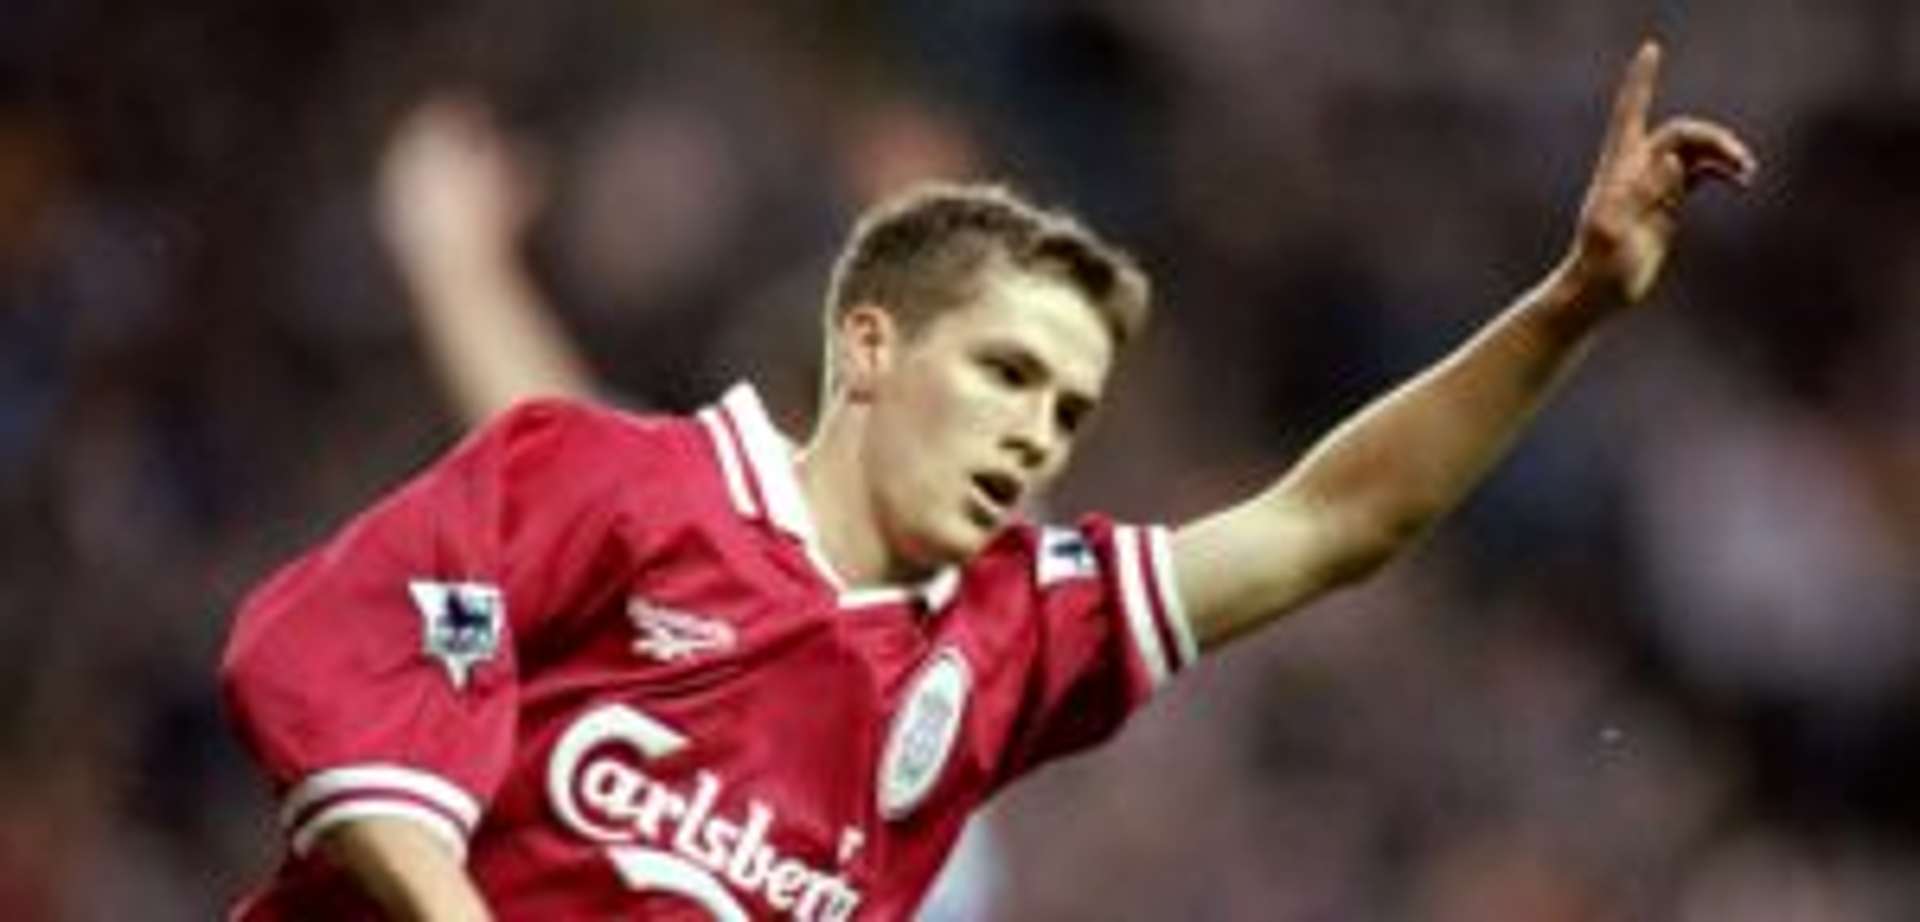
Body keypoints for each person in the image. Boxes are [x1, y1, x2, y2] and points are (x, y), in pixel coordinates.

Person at [220, 42, 1755, 920]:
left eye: (1069, 405)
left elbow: (1334, 519)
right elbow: (329, 660)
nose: (1040, 434)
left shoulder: (1013, 633)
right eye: (1008, 374)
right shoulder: (611, 479)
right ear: (868, 348)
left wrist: (1569, 306)